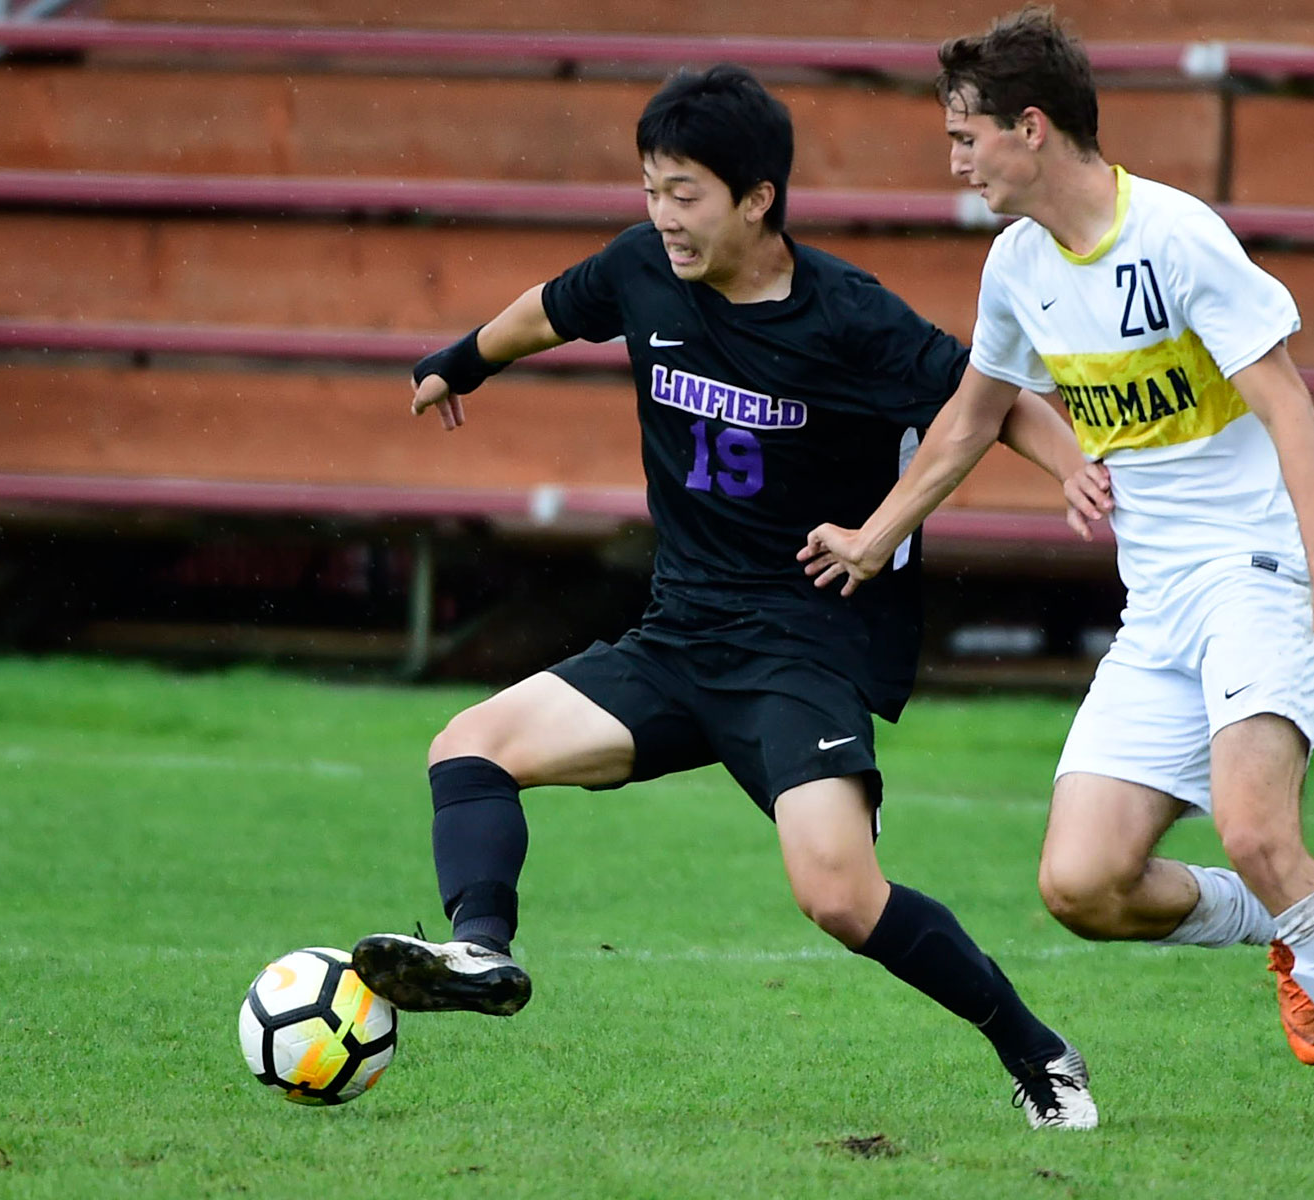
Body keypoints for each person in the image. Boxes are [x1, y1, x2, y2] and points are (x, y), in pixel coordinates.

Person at [350, 64, 1100, 1130]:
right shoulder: (641, 268)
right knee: (469, 747)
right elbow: (555, 310)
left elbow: (987, 397)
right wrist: (461, 362)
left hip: (802, 651)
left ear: (757, 198)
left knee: (839, 896)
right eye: (652, 189)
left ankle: (1039, 1054)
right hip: (676, 639)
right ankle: (482, 950)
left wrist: (1069, 464)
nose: (664, 216)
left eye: (686, 193)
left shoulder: (846, 317)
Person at [799, 7, 1314, 1148]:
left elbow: (1287, 401)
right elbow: (972, 420)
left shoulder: (1175, 236)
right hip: (1158, 605)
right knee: (1081, 885)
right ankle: (1283, 930)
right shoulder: (1018, 265)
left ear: (1031, 127)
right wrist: (876, 538)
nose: (956, 159)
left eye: (967, 135)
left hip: (1259, 576)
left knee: (1261, 829)